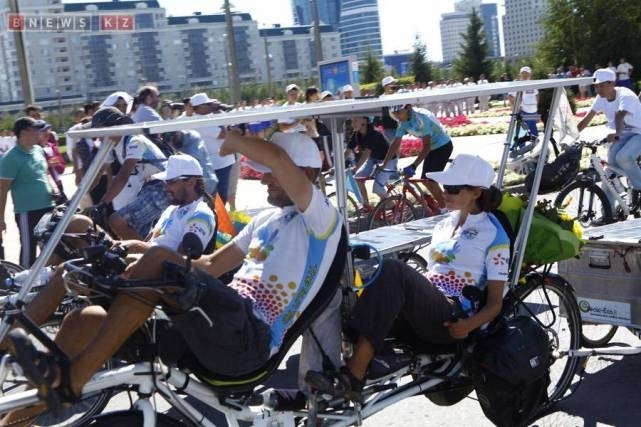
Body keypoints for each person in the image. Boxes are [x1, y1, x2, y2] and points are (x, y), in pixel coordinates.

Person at [4, 125, 342, 421]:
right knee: (85, 318)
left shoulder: (323, 220)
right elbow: (210, 266)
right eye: (264, 171)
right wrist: (136, 252)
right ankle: (26, 405)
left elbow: (278, 160)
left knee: (157, 260)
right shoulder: (265, 220)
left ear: (305, 173)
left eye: (271, 173)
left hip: (249, 341)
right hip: (216, 328)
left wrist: (232, 139)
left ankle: (72, 381)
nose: (264, 177)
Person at [306, 154, 509, 400]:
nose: (445, 193)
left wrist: (469, 325)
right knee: (354, 286)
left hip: (453, 316)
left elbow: (495, 303)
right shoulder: (445, 224)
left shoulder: (494, 234)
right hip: (428, 307)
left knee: (394, 269)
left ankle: (353, 375)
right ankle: (333, 374)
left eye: (454, 189)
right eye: (445, 186)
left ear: (476, 192)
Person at [92, 107, 169, 240]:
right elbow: (95, 175)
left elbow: (123, 176)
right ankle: (144, 249)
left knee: (118, 221)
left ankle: (144, 251)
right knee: (135, 232)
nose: (98, 137)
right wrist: (74, 202)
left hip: (164, 187)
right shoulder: (112, 145)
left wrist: (103, 203)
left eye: (100, 130)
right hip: (147, 189)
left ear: (113, 126)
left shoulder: (135, 141)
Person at [577, 68, 641, 212]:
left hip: (639, 132)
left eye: (601, 85)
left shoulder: (625, 95)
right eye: (596, 86)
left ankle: (639, 187)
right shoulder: (600, 98)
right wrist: (571, 137)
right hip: (624, 134)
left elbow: (620, 115)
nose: (598, 89)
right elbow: (586, 119)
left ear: (612, 83)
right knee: (608, 171)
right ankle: (608, 212)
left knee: (623, 157)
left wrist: (616, 133)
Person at [0, 117, 55, 267]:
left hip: (48, 207)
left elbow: (45, 174)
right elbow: (2, 190)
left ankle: (46, 278)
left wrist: (54, 189)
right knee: (29, 249)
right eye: (36, 130)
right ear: (23, 133)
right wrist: (1, 219)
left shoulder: (38, 150)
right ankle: (25, 278)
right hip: (27, 211)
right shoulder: (10, 158)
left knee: (51, 248)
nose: (39, 133)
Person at [379, 103, 454, 209]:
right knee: (426, 181)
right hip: (432, 148)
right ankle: (445, 206)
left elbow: (426, 147)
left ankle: (446, 208)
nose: (397, 116)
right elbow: (395, 144)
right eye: (394, 114)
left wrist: (414, 166)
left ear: (408, 108)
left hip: (443, 146)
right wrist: (384, 163)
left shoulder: (421, 119)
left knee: (431, 181)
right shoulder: (402, 122)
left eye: (399, 113)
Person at [346, 116, 397, 212]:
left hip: (388, 160)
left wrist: (355, 168)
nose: (352, 124)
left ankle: (393, 206)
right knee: (358, 177)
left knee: (377, 188)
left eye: (355, 120)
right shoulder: (356, 134)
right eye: (352, 121)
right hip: (373, 159)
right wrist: (337, 165)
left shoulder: (374, 133)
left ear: (365, 121)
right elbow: (348, 151)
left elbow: (366, 153)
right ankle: (366, 204)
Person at [508, 66, 539, 138]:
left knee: (534, 133)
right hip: (522, 112)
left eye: (527, 73)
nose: (525, 75)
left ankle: (532, 143)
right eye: (523, 73)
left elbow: (537, 95)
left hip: (533, 112)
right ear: (520, 75)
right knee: (522, 133)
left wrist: (536, 109)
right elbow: (510, 96)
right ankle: (521, 144)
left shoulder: (533, 84)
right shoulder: (517, 84)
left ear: (530, 75)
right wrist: (514, 108)